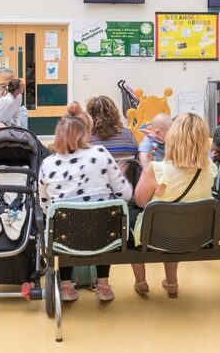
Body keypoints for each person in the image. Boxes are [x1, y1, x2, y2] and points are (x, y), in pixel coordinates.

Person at [38, 102, 133, 302]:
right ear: (84, 134)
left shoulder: (47, 163)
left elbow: (45, 205)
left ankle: (66, 286)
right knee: (102, 217)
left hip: (64, 237)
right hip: (105, 235)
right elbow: (125, 194)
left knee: (62, 221)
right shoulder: (100, 154)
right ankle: (103, 285)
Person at [131, 113, 218, 298]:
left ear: (173, 136)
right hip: (196, 233)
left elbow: (140, 200)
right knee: (178, 216)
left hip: (157, 235)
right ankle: (172, 282)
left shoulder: (158, 170)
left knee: (134, 215)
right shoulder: (210, 168)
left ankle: (141, 281)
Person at [86, 96, 139, 167]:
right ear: (115, 113)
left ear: (90, 116)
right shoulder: (128, 135)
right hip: (126, 177)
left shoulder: (87, 141)